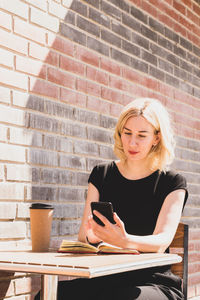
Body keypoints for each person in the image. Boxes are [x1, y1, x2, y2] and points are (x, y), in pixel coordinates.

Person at [35, 97, 188, 300]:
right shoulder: (102, 174)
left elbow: (162, 241)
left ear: (156, 138)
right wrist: (93, 236)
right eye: (127, 133)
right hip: (104, 277)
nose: (132, 143)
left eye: (142, 135)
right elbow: (84, 236)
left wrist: (124, 240)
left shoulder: (172, 182)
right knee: (48, 296)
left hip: (153, 281)